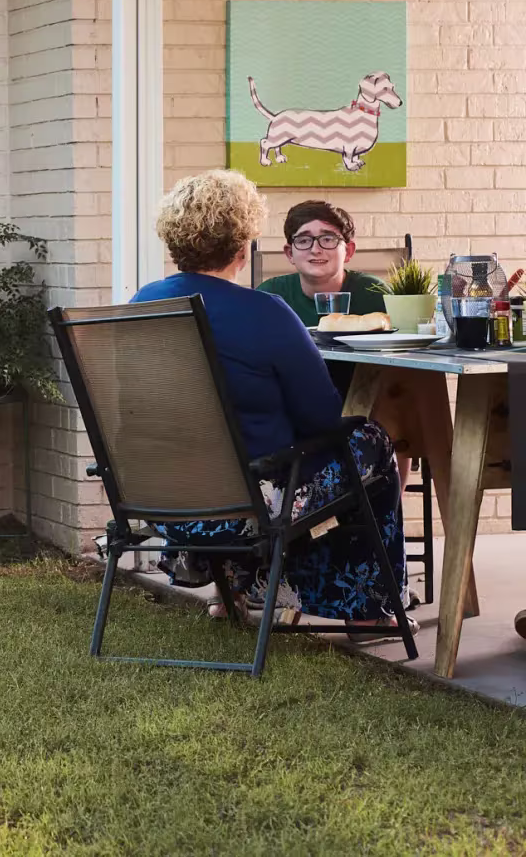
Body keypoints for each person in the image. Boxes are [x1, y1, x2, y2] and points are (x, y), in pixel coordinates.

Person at [130, 170, 415, 636]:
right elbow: (322, 418)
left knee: (282, 463)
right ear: (242, 246)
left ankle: (237, 590)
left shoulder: (144, 303)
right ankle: (365, 607)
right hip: (247, 505)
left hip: (163, 497)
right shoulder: (264, 312)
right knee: (368, 442)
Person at [256, 200, 388, 328]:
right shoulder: (270, 296)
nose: (315, 250)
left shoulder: (374, 293)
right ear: (290, 253)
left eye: (327, 239)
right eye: (304, 241)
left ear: (348, 251)